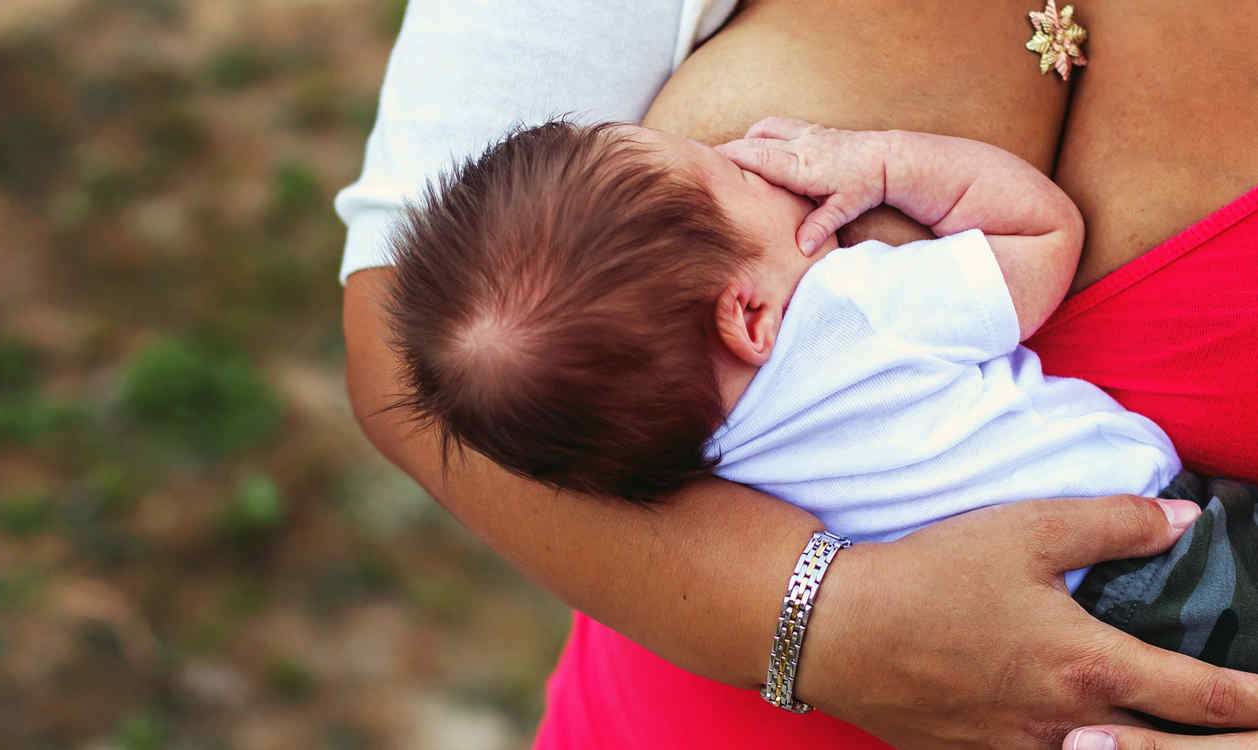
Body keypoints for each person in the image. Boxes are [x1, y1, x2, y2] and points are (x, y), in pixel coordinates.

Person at [338, 1, 1258, 747]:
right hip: (1160, 552)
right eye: (724, 166)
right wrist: (829, 621)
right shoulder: (846, 310)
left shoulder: (680, 438)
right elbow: (1037, 238)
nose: (750, 166)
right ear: (747, 317)